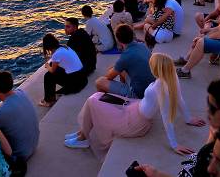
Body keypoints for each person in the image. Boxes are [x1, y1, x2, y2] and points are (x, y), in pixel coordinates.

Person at [65, 53, 206, 156]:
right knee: (97, 97)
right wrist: (188, 119)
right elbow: (179, 98)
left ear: (156, 69)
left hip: (135, 121)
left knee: (93, 101)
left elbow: (166, 116)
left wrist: (174, 144)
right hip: (133, 107)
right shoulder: (172, 76)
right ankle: (82, 133)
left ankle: (83, 137)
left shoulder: (160, 86)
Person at [0, 71, 39, 175]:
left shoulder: (0, 114)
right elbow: (5, 105)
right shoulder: (21, 92)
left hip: (20, 155)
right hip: (34, 145)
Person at [95, 24, 155, 99]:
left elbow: (109, 77)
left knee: (99, 82)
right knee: (120, 69)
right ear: (132, 35)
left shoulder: (125, 57)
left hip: (139, 94)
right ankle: (123, 95)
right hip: (151, 87)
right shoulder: (142, 46)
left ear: (118, 40)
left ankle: (124, 99)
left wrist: (110, 70)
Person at [40, 33, 88, 107]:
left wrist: (47, 66)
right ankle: (51, 96)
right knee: (54, 68)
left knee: (48, 76)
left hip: (76, 84)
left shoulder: (57, 54)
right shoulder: (64, 47)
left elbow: (52, 70)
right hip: (83, 78)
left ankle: (49, 101)